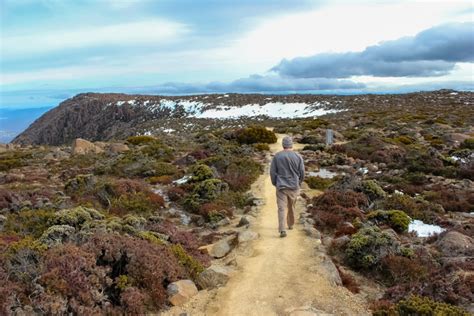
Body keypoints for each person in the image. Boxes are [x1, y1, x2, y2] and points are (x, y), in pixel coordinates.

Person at [270, 136, 305, 238]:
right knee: (291, 206)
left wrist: (274, 183)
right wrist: (299, 182)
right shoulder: (298, 157)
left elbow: (272, 172)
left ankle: (282, 229)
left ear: (283, 145)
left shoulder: (277, 156)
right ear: (291, 145)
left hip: (281, 186)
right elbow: (302, 172)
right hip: (294, 186)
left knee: (281, 208)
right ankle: (290, 224)